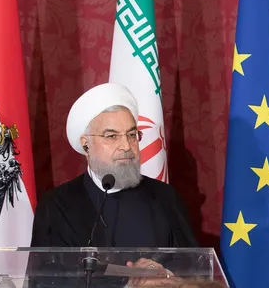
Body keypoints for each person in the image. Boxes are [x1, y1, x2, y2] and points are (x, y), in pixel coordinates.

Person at [30, 82, 197, 286]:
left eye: (132, 134)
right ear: (86, 144)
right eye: (111, 136)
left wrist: (166, 275)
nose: (126, 146)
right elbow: (45, 281)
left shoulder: (165, 197)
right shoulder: (57, 206)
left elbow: (195, 270)